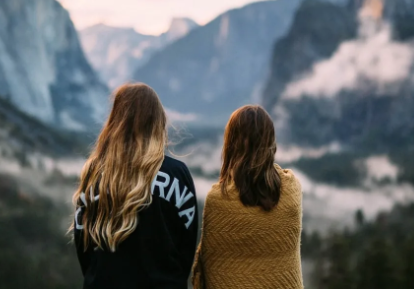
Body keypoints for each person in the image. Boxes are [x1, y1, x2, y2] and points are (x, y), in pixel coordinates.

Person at [72, 83, 198, 289]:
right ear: (158, 122)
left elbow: (82, 243)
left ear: (115, 122)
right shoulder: (177, 173)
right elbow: (186, 245)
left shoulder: (94, 173)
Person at [192, 105, 304, 289]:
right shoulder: (292, 190)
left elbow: (210, 266)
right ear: (271, 143)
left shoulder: (218, 199)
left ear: (231, 143)